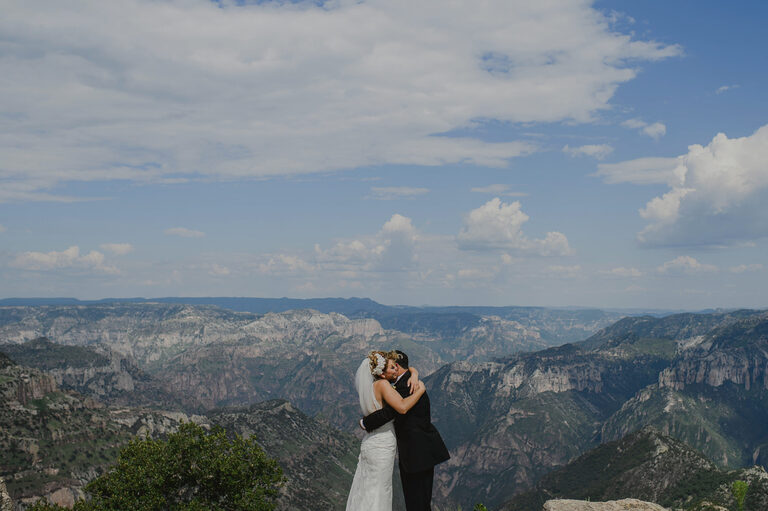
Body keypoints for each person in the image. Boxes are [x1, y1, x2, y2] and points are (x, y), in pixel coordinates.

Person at [361, 350, 450, 511]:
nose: (392, 370)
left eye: (394, 366)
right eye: (390, 367)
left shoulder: (407, 386)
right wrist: (414, 372)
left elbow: (391, 412)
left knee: (417, 501)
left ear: (398, 367)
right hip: (419, 452)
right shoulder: (409, 379)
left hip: (417, 453)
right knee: (419, 500)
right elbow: (409, 370)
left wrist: (365, 422)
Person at [346, 351, 426, 511]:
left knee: (366, 489)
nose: (395, 369)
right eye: (391, 367)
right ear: (382, 374)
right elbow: (402, 408)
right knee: (380, 491)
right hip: (382, 444)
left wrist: (414, 372)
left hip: (369, 443)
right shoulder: (383, 385)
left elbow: (379, 414)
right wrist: (420, 390)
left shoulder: (368, 389)